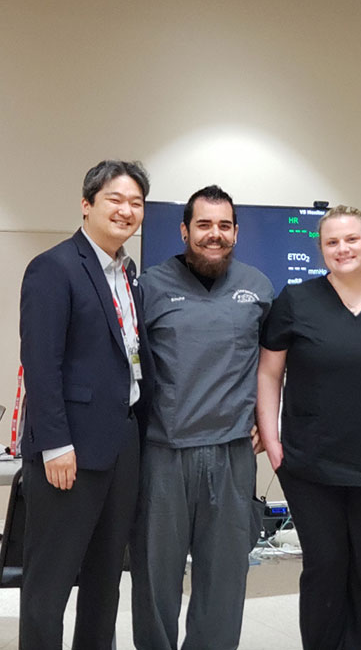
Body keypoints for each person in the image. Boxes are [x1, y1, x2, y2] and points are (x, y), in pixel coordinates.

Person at [256, 205, 361, 649]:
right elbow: (269, 373)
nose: (342, 248)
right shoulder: (295, 301)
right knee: (325, 565)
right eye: (332, 242)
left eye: (351, 239)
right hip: (310, 463)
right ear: (321, 249)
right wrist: (271, 440)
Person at [18, 160, 153, 650]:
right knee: (49, 582)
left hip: (122, 444)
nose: (126, 210)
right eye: (115, 199)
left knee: (105, 579)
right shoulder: (53, 268)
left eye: (136, 203)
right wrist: (55, 444)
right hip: (69, 451)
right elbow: (41, 364)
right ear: (87, 204)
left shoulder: (128, 272)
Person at [131, 185, 273, 650]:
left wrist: (268, 417)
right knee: (155, 580)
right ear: (184, 230)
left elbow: (275, 366)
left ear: (236, 231)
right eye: (204, 225)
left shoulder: (258, 289)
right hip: (164, 455)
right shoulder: (150, 287)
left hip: (232, 455)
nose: (215, 234)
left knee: (224, 583)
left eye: (225, 226)